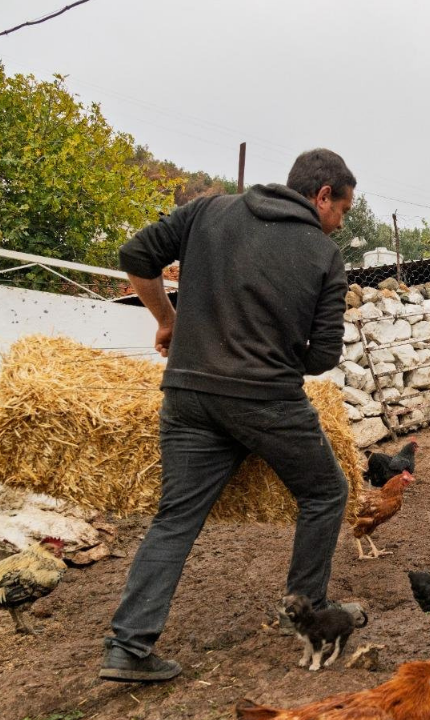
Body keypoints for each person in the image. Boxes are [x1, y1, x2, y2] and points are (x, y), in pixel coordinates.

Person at [99, 149, 355, 683]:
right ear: (323, 195)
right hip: (268, 400)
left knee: (176, 518)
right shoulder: (324, 257)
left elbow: (135, 255)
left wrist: (168, 321)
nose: (338, 225)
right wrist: (279, 360)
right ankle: (305, 612)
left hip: (190, 394)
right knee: (326, 492)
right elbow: (324, 356)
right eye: (343, 212)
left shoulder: (208, 211)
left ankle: (129, 647)